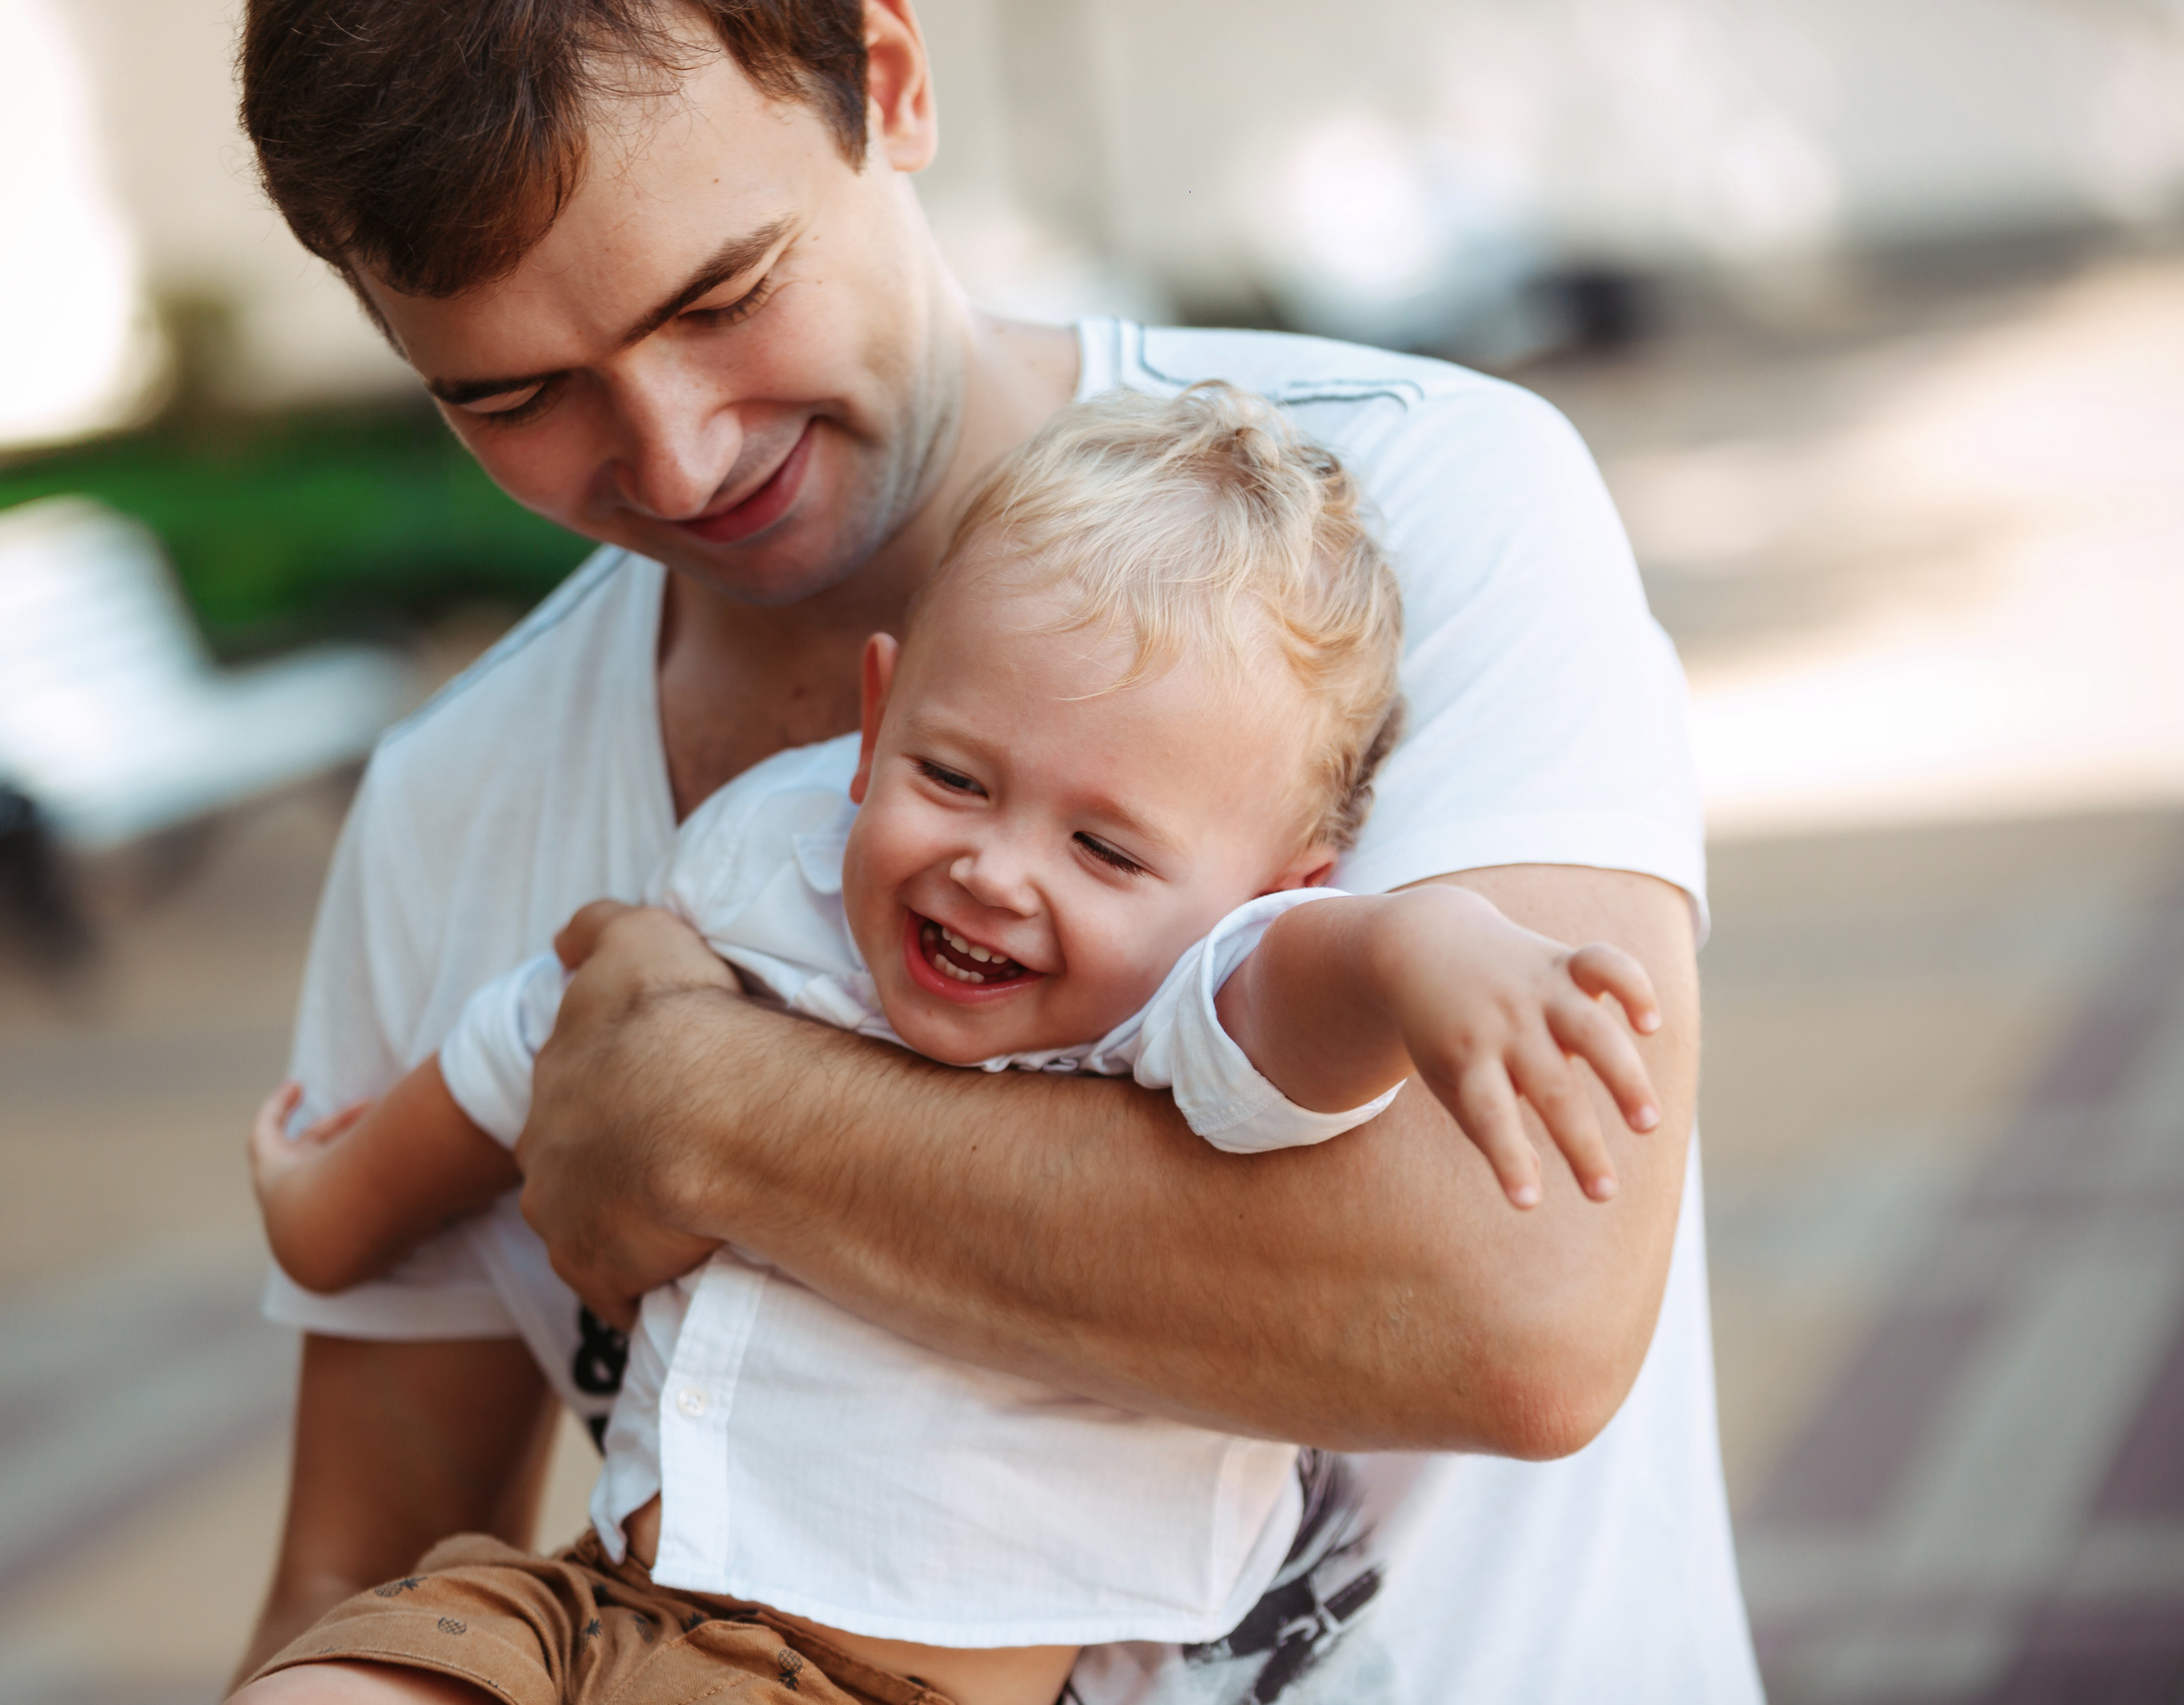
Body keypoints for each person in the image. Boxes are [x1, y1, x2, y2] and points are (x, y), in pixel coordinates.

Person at [233, 1, 1757, 1699]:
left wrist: (698, 1109)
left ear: (888, 78)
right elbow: (353, 1558)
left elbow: (1518, 1324)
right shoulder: (455, 806)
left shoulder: (1414, 513)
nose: (678, 452)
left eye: (724, 298)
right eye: (512, 394)